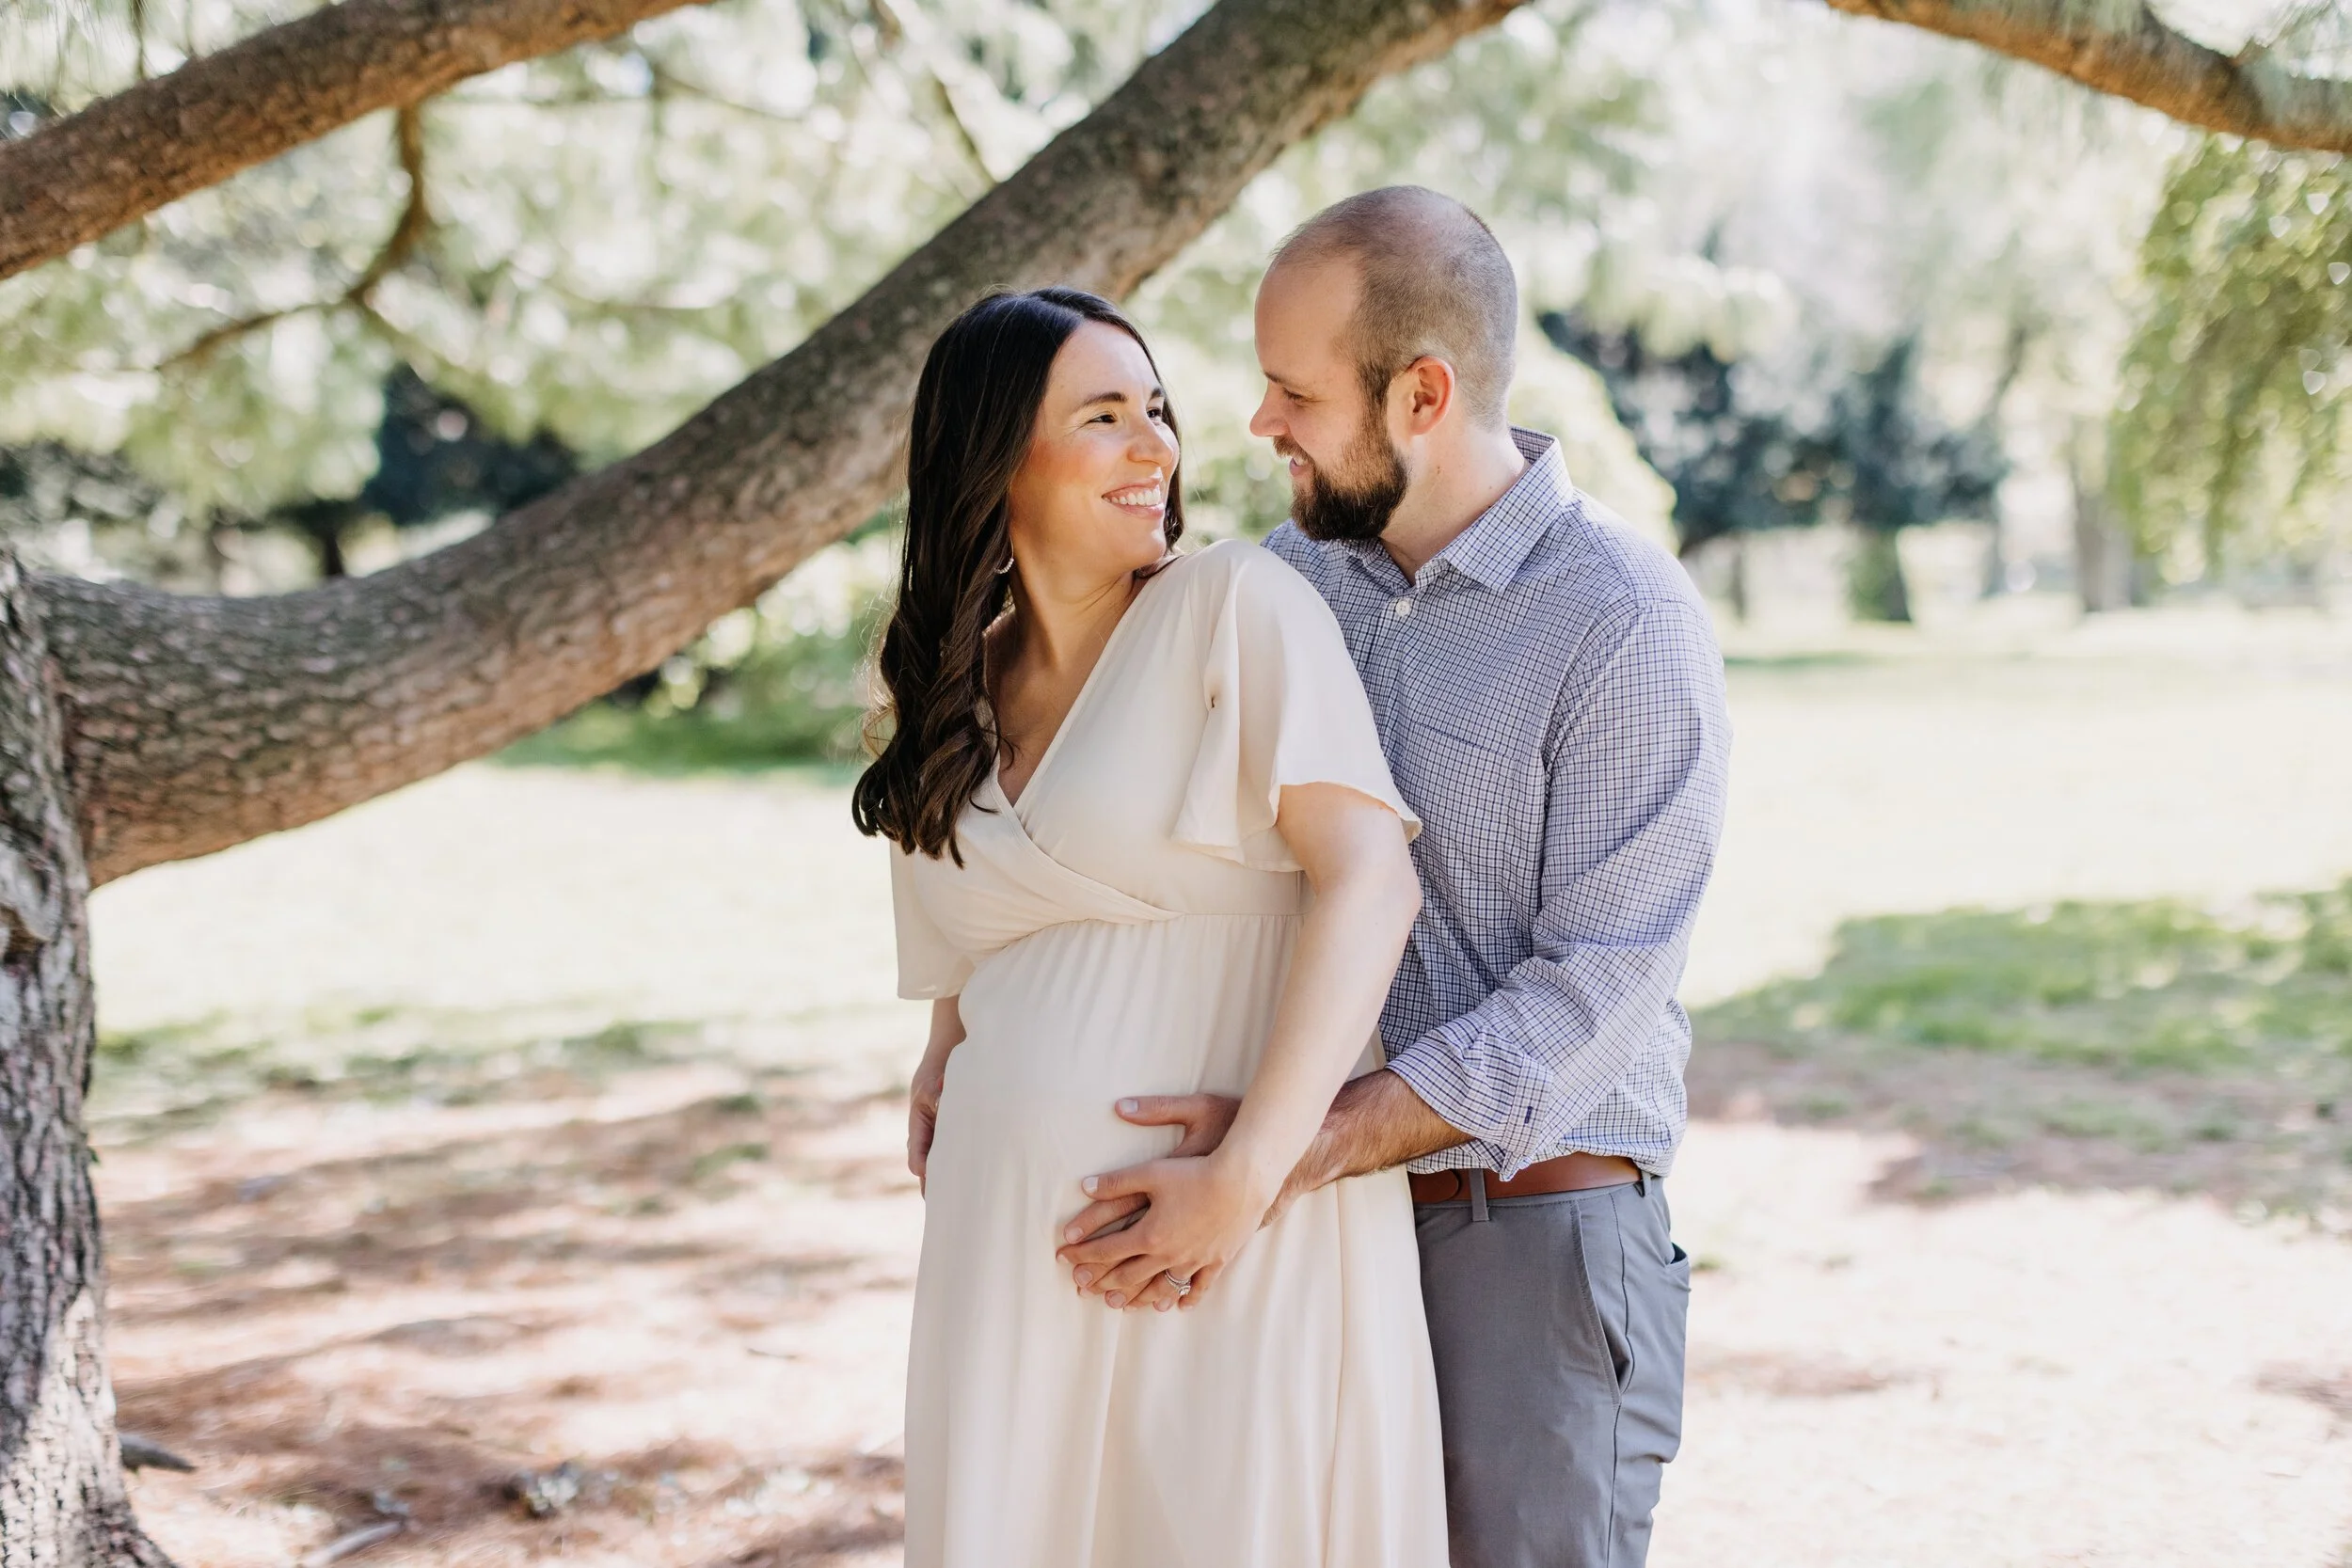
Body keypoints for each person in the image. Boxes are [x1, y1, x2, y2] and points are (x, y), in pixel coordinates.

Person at [1058, 188, 1732, 1568]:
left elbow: (1589, 989)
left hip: (1527, 1239)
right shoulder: (1285, 587)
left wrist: (1284, 1151)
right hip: (1309, 1236)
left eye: (1294, 391)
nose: (1258, 426)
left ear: (1422, 394)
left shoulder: (1624, 621)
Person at [853, 286, 1448, 1568]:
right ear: (995, 457)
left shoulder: (1235, 605)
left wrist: (1241, 1185)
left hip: (1228, 1233)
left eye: (1157, 411)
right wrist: (948, 1049)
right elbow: (985, 920)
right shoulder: (947, 680)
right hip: (1005, 1243)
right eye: (1106, 415)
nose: (1159, 447)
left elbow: (1369, 884)